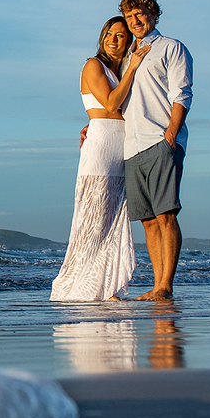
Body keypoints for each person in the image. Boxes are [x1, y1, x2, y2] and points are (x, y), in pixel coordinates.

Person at [50, 17, 151, 301]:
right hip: (101, 149)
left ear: (129, 41)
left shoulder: (119, 70)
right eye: (110, 34)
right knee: (93, 218)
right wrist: (132, 67)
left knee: (115, 217)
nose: (114, 39)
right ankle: (79, 287)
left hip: (124, 145)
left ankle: (109, 289)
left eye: (121, 35)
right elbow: (109, 103)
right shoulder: (93, 65)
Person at [118, 0, 193, 301]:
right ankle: (157, 284)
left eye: (139, 14)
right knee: (148, 221)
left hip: (160, 141)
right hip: (130, 147)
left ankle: (166, 286)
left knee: (166, 215)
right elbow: (119, 100)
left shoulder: (170, 47)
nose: (135, 21)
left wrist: (172, 132)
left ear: (153, 14)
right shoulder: (125, 59)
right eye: (129, 16)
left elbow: (182, 92)